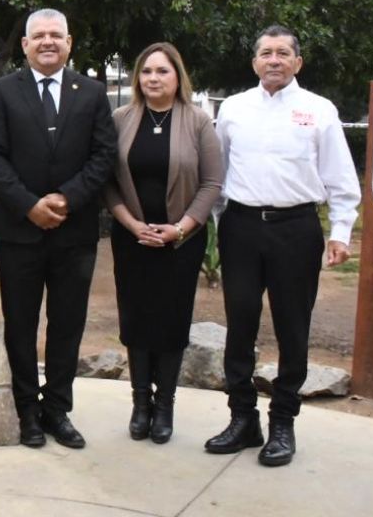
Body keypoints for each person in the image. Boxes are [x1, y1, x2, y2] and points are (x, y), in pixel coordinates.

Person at [205, 25, 360, 467]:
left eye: (283, 53)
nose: (274, 60)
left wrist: (340, 233)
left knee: (293, 328)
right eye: (266, 53)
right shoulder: (233, 108)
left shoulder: (319, 110)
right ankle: (242, 419)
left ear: (297, 62)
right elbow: (218, 172)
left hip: (296, 229)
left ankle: (283, 423)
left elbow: (342, 180)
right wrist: (221, 222)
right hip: (242, 227)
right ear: (254, 62)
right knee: (240, 325)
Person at [0, 8, 117, 450]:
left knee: (67, 324)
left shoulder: (93, 93)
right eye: (39, 36)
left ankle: (57, 409)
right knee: (19, 324)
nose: (48, 42)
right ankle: (26, 412)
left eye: (56, 35)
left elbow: (103, 156)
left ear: (69, 42)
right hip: (20, 232)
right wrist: (28, 205)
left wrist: (67, 198)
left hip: (73, 234)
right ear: (25, 45)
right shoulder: (1, 92)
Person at [104, 42, 222, 444]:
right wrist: (132, 225)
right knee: (136, 321)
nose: (153, 78)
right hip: (131, 238)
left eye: (162, 71)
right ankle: (140, 405)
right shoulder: (120, 118)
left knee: (170, 323)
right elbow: (108, 183)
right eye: (146, 72)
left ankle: (165, 406)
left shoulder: (198, 121)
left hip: (181, 243)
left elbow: (211, 183)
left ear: (178, 77)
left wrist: (182, 229)